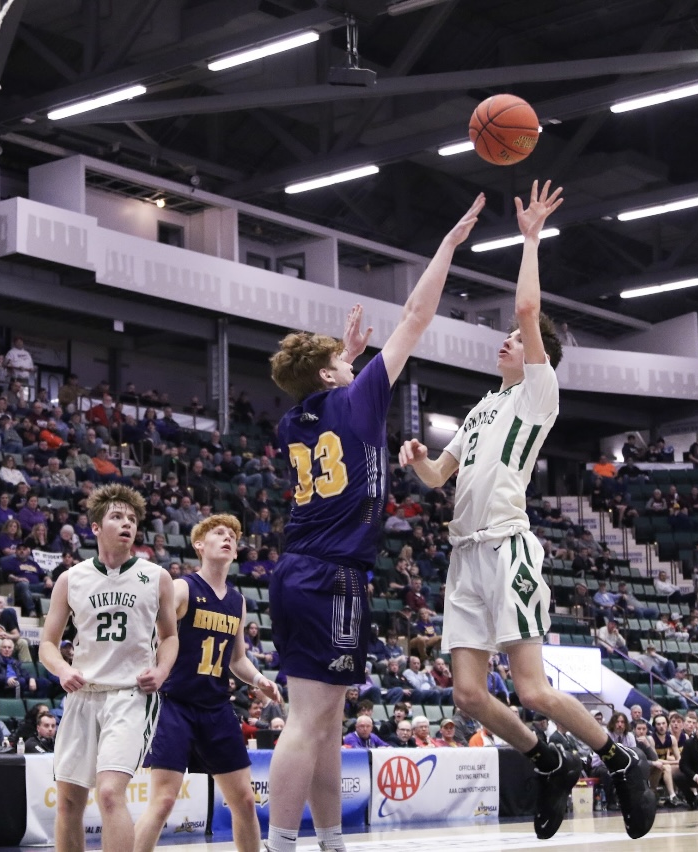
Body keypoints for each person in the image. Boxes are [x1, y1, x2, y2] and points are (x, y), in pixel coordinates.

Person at [397, 181, 655, 841]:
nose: (506, 340)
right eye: (510, 337)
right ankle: (548, 759)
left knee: (535, 690)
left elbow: (529, 305)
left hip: (507, 545)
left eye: (517, 337)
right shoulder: (483, 408)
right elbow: (437, 477)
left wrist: (531, 237)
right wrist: (415, 461)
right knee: (467, 696)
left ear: (538, 352)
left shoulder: (539, 393)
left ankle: (621, 757)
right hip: (463, 554)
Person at [264, 194, 485, 852]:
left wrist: (341, 359)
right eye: (344, 363)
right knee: (307, 722)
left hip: (300, 569)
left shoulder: (292, 419)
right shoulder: (354, 400)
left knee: (327, 721)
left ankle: (330, 840)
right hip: (332, 573)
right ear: (334, 376)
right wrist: (446, 246)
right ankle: (280, 844)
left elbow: (324, 392)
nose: (356, 366)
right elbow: (417, 316)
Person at [38, 484, 177, 852]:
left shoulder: (156, 577)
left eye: (132, 518)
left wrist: (161, 672)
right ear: (96, 527)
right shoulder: (71, 578)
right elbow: (47, 644)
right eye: (117, 516)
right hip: (83, 694)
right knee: (69, 800)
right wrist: (63, 671)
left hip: (130, 696)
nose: (126, 523)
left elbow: (170, 638)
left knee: (111, 794)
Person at [133, 514, 279, 852]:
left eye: (232, 535)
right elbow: (153, 636)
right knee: (164, 801)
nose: (227, 538)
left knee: (244, 801)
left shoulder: (237, 602)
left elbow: (236, 659)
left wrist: (259, 680)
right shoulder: (184, 586)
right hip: (175, 704)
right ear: (200, 544)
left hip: (216, 707)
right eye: (218, 533)